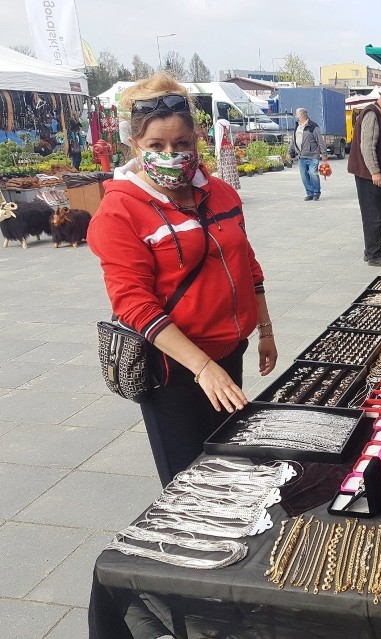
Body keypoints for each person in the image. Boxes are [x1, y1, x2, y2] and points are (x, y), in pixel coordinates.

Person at [87, 74, 278, 487]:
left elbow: (248, 263)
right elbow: (133, 305)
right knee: (187, 482)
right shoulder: (121, 211)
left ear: (196, 140)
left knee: (227, 462)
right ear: (134, 144)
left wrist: (264, 330)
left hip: (228, 352)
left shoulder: (222, 194)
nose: (171, 155)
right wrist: (202, 367)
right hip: (173, 367)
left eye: (182, 144)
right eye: (156, 146)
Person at [347, 86, 381, 268]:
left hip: (372, 176)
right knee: (373, 216)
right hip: (369, 177)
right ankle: (373, 254)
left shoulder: (379, 113)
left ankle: (372, 249)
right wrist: (375, 172)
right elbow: (367, 146)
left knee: (375, 214)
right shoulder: (372, 114)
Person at [290, 108, 328, 201]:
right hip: (301, 156)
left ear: (302, 115)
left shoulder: (313, 126)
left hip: (312, 155)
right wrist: (289, 152)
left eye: (297, 114)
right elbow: (293, 140)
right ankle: (309, 193)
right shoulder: (297, 126)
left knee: (313, 173)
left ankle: (316, 192)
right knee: (304, 176)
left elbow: (320, 140)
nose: (296, 116)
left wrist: (324, 154)